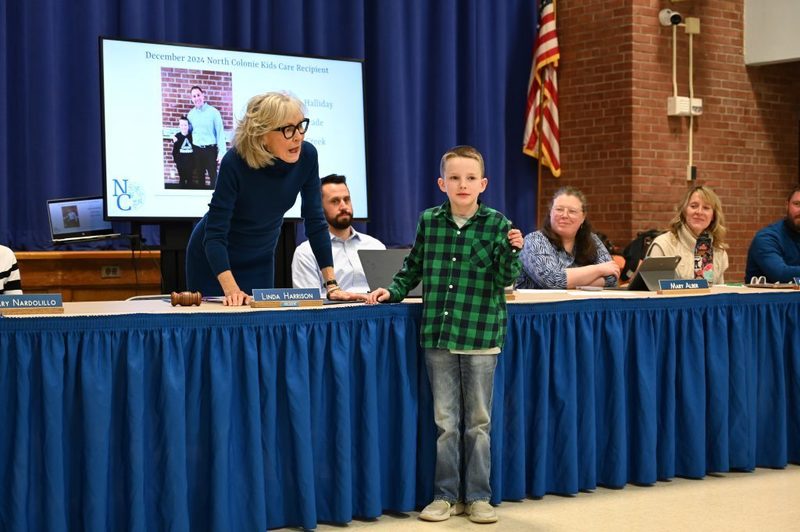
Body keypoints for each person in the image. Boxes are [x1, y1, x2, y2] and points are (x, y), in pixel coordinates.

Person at [365, 145, 522, 524]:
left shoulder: (498, 225)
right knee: (445, 422)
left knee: (479, 422)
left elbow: (506, 279)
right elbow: (412, 266)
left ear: (483, 184)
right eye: (454, 177)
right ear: (442, 183)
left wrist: (512, 252)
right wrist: (394, 290)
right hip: (438, 334)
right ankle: (445, 495)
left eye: (470, 178)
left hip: (481, 335)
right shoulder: (430, 221)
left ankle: (480, 496)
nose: (462, 184)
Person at [185, 91, 363, 306]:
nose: (298, 136)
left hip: (261, 257)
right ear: (261, 135)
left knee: (258, 330)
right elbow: (214, 234)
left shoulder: (307, 156)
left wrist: (332, 285)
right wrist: (231, 289)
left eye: (301, 126)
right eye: (288, 129)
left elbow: (315, 221)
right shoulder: (235, 162)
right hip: (215, 261)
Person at [291, 174, 385, 294]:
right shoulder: (306, 253)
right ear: (319, 207)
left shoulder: (375, 246)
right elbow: (309, 304)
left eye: (346, 199)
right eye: (335, 201)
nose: (344, 206)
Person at [515, 186, 620, 289]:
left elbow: (613, 278)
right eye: (559, 209)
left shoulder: (593, 240)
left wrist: (573, 282)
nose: (564, 215)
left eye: (572, 211)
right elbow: (553, 281)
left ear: (583, 217)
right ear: (550, 212)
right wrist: (599, 270)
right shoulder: (534, 240)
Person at [647, 185, 729, 284]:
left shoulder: (718, 250)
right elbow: (654, 292)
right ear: (684, 211)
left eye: (706, 208)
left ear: (713, 216)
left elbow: (720, 293)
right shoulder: (663, 245)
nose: (699, 212)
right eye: (693, 206)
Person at [745, 185, 800, 283]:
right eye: (797, 204)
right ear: (787, 205)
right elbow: (780, 274)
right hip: (766, 298)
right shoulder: (767, 237)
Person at [187, 85, 227, 189]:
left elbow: (220, 133)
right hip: (196, 150)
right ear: (191, 99)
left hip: (210, 150)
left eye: (198, 95)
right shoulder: (190, 115)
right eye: (194, 96)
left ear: (203, 95)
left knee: (214, 178)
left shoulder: (214, 112)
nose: (197, 98)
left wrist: (222, 152)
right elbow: (188, 132)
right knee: (200, 178)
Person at [171, 115, 196, 188]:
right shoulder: (177, 136)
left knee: (190, 181)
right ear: (179, 126)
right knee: (182, 181)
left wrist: (194, 163)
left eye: (185, 125)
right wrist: (177, 162)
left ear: (188, 126)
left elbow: (195, 151)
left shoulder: (192, 136)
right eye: (181, 125)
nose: (183, 127)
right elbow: (174, 152)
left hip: (191, 164)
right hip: (180, 164)